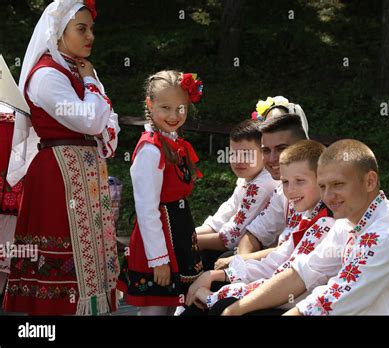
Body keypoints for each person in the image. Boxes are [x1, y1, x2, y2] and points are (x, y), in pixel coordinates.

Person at [216, 139, 389, 315]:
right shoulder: (348, 222)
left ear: (370, 181)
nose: (329, 196)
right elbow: (301, 274)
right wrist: (236, 309)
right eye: (323, 186)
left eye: (338, 185)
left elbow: (329, 300)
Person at [3, 0, 120, 315]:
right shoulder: (46, 75)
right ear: (58, 32)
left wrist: (92, 91)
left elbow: (111, 126)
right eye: (81, 29)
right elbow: (94, 120)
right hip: (60, 176)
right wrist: (93, 83)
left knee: (89, 263)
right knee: (63, 267)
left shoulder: (77, 70)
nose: (90, 36)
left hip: (85, 174)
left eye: (91, 28)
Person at [184, 140, 335, 315]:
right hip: (283, 293)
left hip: (297, 304)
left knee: (220, 303)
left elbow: (283, 281)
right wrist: (221, 275)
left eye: (299, 181)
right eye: (285, 182)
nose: (290, 190)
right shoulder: (309, 214)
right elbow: (275, 259)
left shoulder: (325, 223)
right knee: (217, 281)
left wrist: (214, 296)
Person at [117, 70, 204, 315]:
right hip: (158, 242)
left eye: (181, 108)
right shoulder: (151, 150)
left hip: (176, 233)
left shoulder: (173, 142)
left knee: (169, 306)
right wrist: (159, 260)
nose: (174, 115)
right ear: (149, 104)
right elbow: (146, 210)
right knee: (155, 310)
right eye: (165, 107)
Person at [196, 119, 276, 270]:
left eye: (246, 154)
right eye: (234, 153)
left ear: (263, 152)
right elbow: (223, 216)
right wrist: (191, 234)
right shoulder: (246, 177)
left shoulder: (261, 186)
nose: (238, 160)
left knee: (197, 256)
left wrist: (190, 241)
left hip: (261, 253)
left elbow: (232, 236)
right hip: (240, 243)